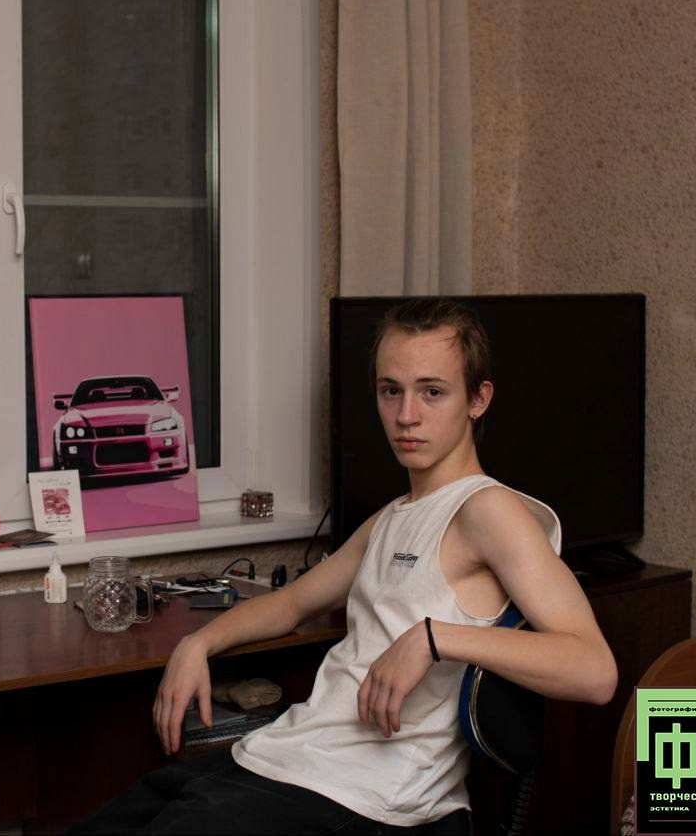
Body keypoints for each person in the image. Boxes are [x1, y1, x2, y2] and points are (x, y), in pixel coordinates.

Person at [71, 298, 618, 834]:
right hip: (293, 757)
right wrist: (197, 644)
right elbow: (293, 603)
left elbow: (594, 670)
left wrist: (434, 638)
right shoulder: (392, 518)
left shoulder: (487, 510)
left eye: (432, 391)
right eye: (391, 391)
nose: (406, 415)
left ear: (478, 399)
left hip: (372, 796)